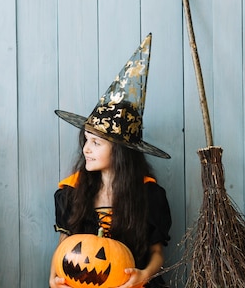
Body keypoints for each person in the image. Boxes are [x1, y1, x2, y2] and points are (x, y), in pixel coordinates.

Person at [49, 34, 172, 288]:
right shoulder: (71, 191)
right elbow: (65, 244)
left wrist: (143, 276)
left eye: (96, 143)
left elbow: (157, 252)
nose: (86, 150)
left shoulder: (149, 194)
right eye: (85, 140)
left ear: (120, 151)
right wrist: (55, 278)